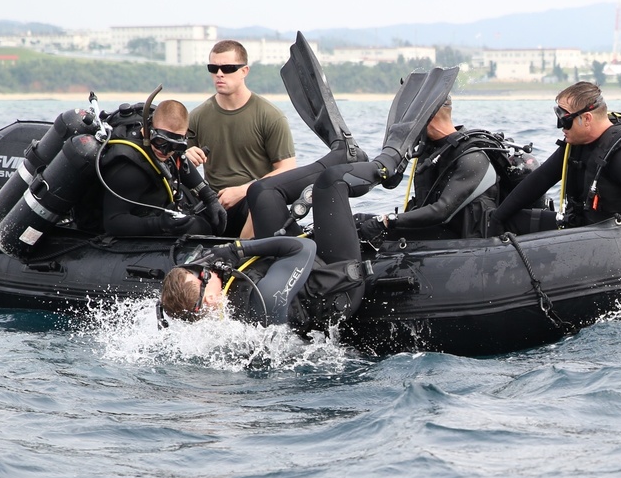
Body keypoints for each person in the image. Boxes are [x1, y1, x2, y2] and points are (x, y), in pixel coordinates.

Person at [159, 66, 459, 330]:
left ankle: (344, 153)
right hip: (336, 278)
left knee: (261, 192)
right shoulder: (262, 301)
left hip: (299, 269)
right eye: (201, 276)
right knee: (332, 183)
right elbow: (298, 248)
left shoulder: (216, 304)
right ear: (206, 301)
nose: (205, 271)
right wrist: (235, 250)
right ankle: (386, 166)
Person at [490, 81, 621, 234]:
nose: (561, 126)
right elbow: (539, 180)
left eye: (565, 120)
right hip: (579, 227)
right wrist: (497, 218)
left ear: (587, 118)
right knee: (508, 219)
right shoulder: (575, 145)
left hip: (615, 240)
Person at [185, 40, 297, 238]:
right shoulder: (197, 116)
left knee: (261, 201)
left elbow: (287, 169)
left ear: (244, 71)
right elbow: (173, 164)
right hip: (212, 202)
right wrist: (185, 155)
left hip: (253, 201)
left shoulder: (269, 116)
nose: (219, 74)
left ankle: (241, 255)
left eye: (227, 68)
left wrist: (244, 190)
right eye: (213, 68)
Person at [356, 94, 500, 243]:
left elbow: (441, 211)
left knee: (369, 226)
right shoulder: (429, 151)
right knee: (358, 221)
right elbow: (394, 184)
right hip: (434, 228)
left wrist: (387, 221)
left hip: (461, 238)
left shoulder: (472, 156)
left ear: (428, 115)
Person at [99, 99, 228, 237]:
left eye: (175, 146)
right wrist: (159, 225)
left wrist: (210, 198)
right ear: (148, 129)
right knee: (197, 227)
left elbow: (180, 159)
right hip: (127, 221)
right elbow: (112, 222)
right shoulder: (129, 170)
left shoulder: (168, 149)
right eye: (160, 142)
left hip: (157, 206)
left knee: (209, 222)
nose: (166, 152)